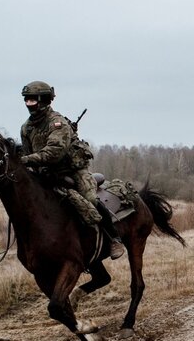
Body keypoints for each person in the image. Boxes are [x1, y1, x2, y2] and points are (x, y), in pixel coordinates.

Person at [19, 80, 125, 259]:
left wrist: (25, 160)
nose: (28, 103)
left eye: (32, 99)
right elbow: (29, 153)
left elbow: (54, 152)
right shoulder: (26, 128)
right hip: (47, 173)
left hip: (72, 170)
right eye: (26, 99)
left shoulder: (57, 123)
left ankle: (114, 239)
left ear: (43, 99)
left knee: (91, 198)